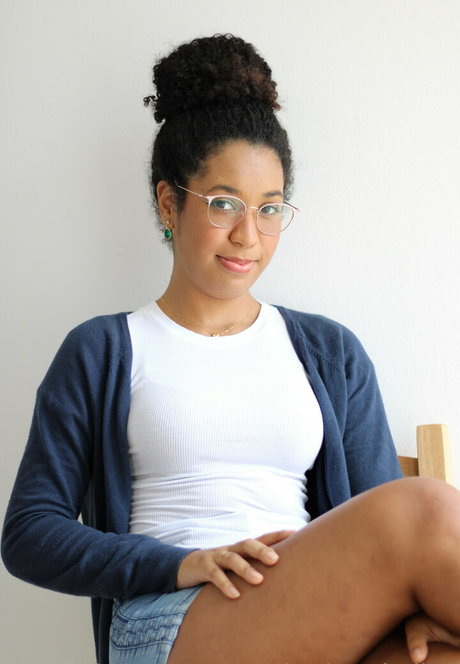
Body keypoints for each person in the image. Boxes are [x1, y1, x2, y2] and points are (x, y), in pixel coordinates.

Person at [2, 33, 460, 664]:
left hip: (318, 610)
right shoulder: (102, 349)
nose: (249, 235)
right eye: (224, 204)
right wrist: (181, 563)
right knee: (426, 504)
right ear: (169, 202)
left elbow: (373, 519)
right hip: (167, 619)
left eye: (270, 210)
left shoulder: (330, 352)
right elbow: (29, 533)